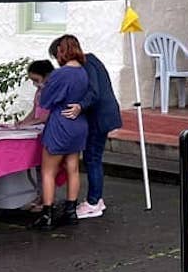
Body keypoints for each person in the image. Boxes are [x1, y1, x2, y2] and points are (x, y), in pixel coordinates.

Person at [54, 35, 123, 220]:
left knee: (92, 158)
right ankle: (96, 199)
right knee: (94, 157)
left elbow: (94, 91)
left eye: (57, 55)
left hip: (99, 117)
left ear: (63, 51)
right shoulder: (90, 61)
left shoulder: (87, 64)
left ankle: (93, 202)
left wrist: (79, 106)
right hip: (103, 115)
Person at [31, 36, 90, 229]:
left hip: (60, 123)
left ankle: (47, 215)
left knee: (49, 170)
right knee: (73, 168)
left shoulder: (59, 74)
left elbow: (45, 101)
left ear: (61, 51)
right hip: (78, 124)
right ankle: (70, 211)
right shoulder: (83, 72)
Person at [16, 60, 56, 128]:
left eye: (36, 80)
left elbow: (46, 117)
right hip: (37, 126)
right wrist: (24, 122)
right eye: (32, 81)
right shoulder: (39, 91)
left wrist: (29, 123)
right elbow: (34, 110)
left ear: (47, 76)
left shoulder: (54, 91)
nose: (34, 84)